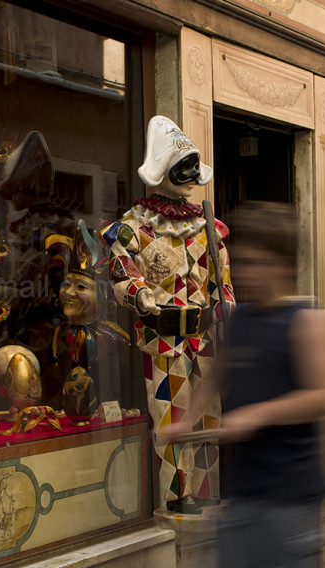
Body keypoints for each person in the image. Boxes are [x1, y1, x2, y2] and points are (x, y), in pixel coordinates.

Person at [166, 199, 325, 568]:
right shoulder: (235, 320)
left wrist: (259, 414)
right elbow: (217, 375)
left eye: (260, 262)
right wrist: (188, 416)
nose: (249, 273)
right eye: (242, 263)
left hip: (290, 485)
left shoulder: (308, 320)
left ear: (284, 264)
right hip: (243, 485)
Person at [102, 116, 234, 514]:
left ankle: (209, 488)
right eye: (185, 168)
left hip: (206, 336)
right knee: (172, 417)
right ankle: (178, 496)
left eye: (195, 167)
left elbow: (221, 274)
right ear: (163, 170)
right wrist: (139, 295)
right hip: (165, 339)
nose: (193, 176)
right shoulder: (134, 227)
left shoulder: (206, 226)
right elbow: (122, 271)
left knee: (211, 415)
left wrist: (226, 301)